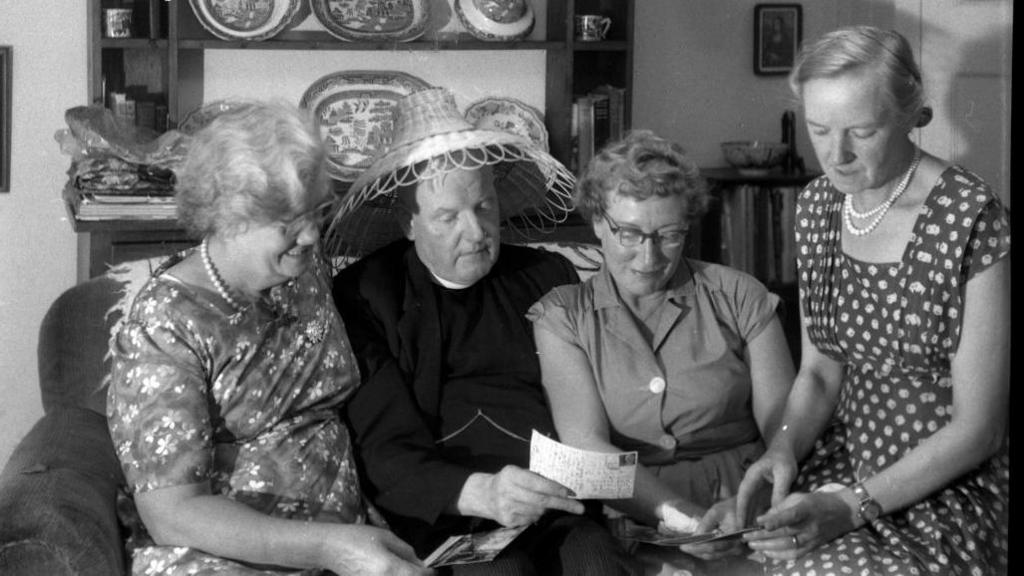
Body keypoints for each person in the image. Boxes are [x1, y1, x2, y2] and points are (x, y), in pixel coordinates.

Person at [106, 100, 429, 576]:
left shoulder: (303, 270)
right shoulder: (165, 324)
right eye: (288, 223)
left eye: (317, 213)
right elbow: (173, 513)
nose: (312, 237)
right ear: (226, 217)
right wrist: (330, 549)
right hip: (228, 557)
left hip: (348, 537)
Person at [329, 87, 643, 575]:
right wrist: (481, 493)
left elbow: (598, 402)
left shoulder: (546, 276)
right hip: (449, 513)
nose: (475, 232)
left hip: (556, 506)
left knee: (597, 560)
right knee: (503, 571)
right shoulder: (367, 296)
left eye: (484, 207)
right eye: (448, 217)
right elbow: (382, 445)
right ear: (408, 223)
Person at [735, 26, 1010, 575]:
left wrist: (851, 506)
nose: (836, 155)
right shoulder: (817, 206)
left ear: (913, 116)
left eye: (862, 131)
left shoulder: (972, 218)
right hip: (846, 454)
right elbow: (818, 372)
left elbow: (979, 429)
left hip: (945, 477)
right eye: (819, 129)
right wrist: (783, 448)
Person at [528, 130, 795, 571]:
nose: (648, 256)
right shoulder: (563, 317)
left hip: (750, 507)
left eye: (669, 235)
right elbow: (587, 444)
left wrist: (748, 508)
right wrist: (680, 516)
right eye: (629, 234)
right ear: (597, 221)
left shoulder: (740, 295)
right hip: (637, 519)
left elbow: (783, 428)